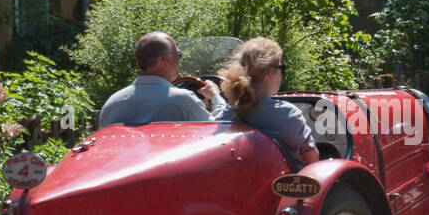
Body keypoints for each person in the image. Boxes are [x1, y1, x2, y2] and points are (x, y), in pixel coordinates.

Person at [218, 37, 319, 165]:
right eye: (281, 68)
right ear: (271, 72)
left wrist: (215, 98)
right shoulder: (287, 114)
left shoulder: (229, 111)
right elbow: (310, 155)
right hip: (278, 182)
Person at [97, 32, 226, 127]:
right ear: (165, 59)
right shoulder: (182, 100)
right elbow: (216, 129)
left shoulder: (112, 104)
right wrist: (215, 97)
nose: (179, 62)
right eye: (178, 55)